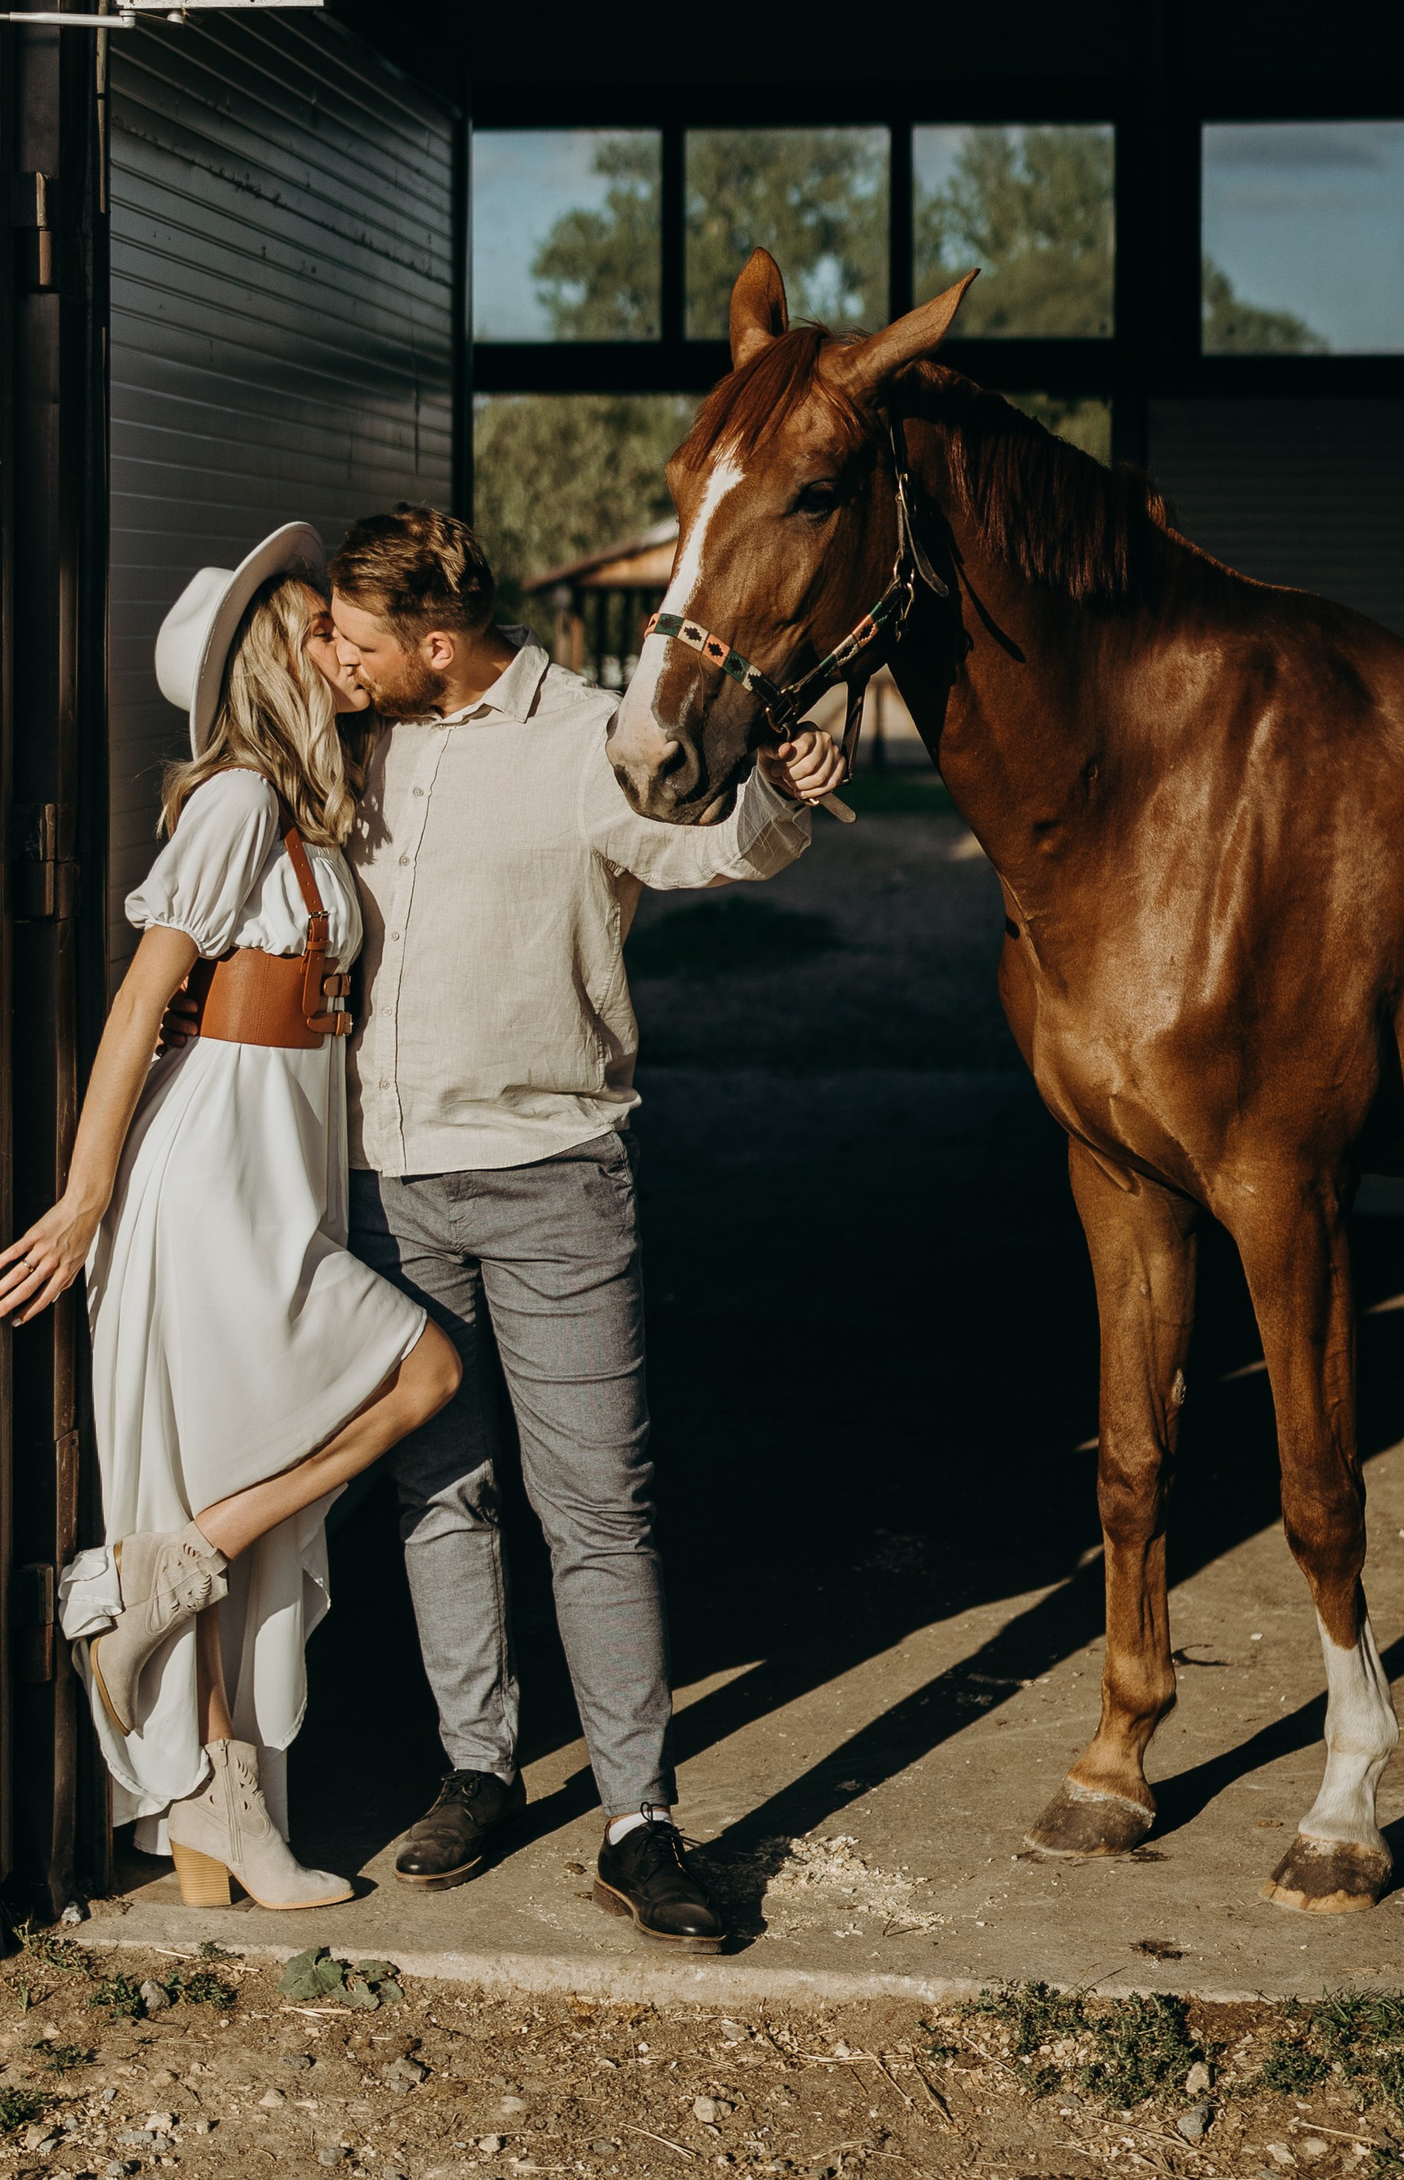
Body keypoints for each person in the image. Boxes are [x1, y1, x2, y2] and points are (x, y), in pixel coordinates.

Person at [323, 503, 846, 1950]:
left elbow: (704, 855)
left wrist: (784, 794)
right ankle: (478, 1768)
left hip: (554, 1173)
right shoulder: (363, 739)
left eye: (357, 638)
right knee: (441, 1489)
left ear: (434, 642)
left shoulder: (588, 737)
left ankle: (638, 1821)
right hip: (393, 1179)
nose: (334, 658)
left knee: (595, 1511)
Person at [0, 522, 463, 1911]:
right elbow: (145, 999)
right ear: (271, 652)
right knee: (422, 1371)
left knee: (231, 1470)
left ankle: (211, 1785)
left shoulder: (306, 807)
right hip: (209, 1172)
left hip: (283, 1164)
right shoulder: (238, 802)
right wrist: (84, 1197)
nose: (339, 644)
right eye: (318, 626)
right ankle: (173, 1635)